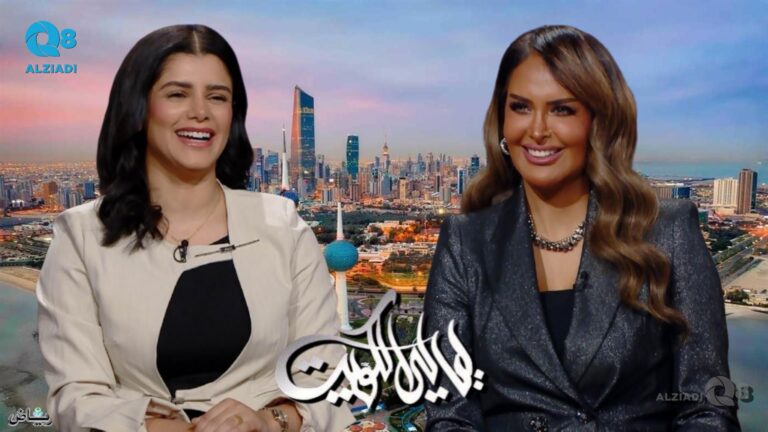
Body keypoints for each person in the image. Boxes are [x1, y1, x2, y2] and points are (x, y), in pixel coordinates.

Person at [36, 24, 354, 432]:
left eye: (217, 97)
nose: (200, 112)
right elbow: (75, 398)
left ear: (232, 114)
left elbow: (328, 374)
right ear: (138, 109)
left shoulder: (283, 227)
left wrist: (270, 420)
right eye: (177, 94)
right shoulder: (81, 237)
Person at [423, 25, 740, 431]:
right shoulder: (465, 242)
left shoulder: (668, 232)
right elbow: (449, 413)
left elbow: (708, 407)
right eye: (520, 107)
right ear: (501, 121)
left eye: (562, 109)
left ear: (599, 122)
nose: (537, 130)